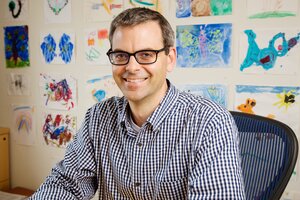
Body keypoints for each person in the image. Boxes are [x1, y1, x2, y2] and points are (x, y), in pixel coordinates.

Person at [29, 7, 245, 199]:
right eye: (121, 55)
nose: (131, 67)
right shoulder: (98, 117)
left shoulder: (210, 122)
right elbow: (67, 185)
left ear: (170, 59)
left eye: (146, 54)